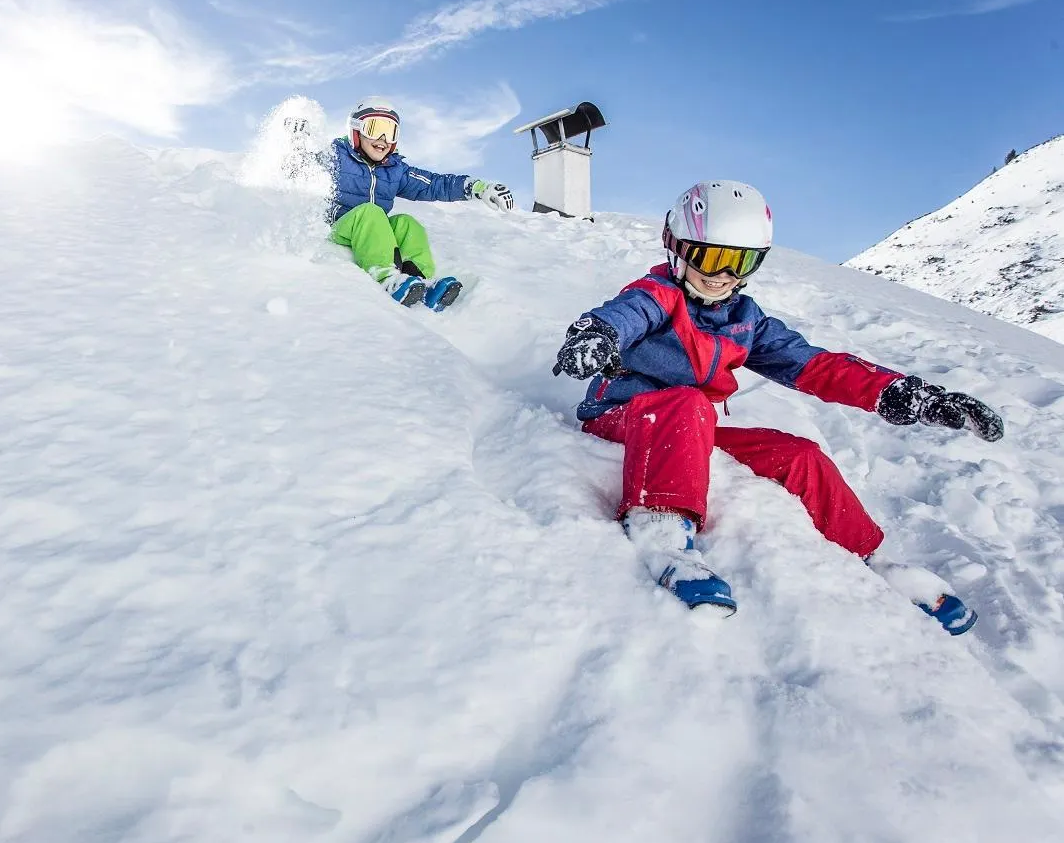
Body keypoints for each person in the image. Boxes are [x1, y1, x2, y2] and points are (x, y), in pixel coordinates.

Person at [552, 180, 1003, 633]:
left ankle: (874, 560)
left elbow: (817, 366)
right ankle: (662, 533)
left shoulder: (746, 321)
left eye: (740, 262)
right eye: (711, 257)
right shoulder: (657, 295)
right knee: (689, 404)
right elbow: (623, 315)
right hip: (623, 420)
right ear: (678, 248)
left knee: (799, 454)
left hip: (689, 430)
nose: (722, 274)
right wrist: (595, 335)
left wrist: (907, 394)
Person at [328, 98, 515, 311]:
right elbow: (300, 167)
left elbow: (434, 184)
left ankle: (421, 282)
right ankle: (386, 278)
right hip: (338, 227)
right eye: (375, 128)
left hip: (371, 229)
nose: (383, 139)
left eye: (390, 132)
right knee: (371, 213)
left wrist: (475, 187)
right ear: (355, 130)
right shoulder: (336, 156)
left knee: (406, 224)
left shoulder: (395, 169)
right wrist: (295, 142)